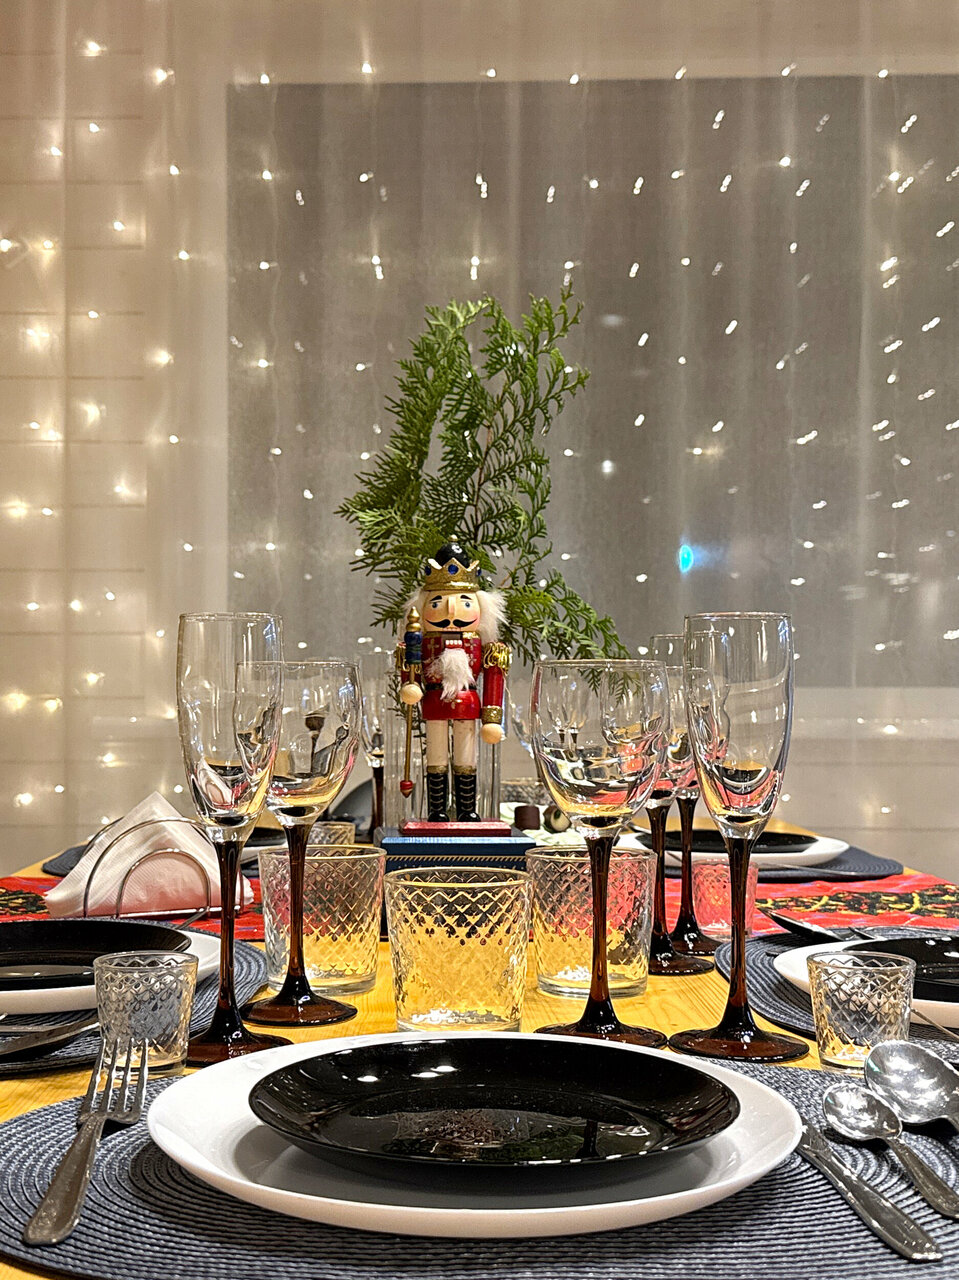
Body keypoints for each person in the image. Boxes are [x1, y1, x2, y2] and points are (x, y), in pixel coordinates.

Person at [398, 542, 509, 821]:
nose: (451, 612)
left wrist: (492, 718)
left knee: (466, 758)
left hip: (468, 705)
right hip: (434, 702)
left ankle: (466, 810)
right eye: (437, 603)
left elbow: (494, 677)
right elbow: (411, 668)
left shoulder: (486, 647)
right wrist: (410, 686)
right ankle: (436, 810)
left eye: (465, 603)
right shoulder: (420, 643)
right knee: (435, 758)